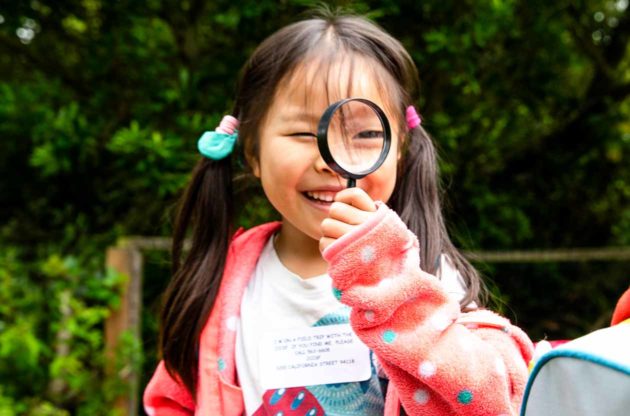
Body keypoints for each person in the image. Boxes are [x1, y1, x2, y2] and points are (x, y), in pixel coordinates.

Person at [144, 11, 534, 416]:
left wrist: (387, 281)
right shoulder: (224, 281)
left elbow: (497, 400)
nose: (335, 161)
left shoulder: (426, 271)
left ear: (398, 150)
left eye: (366, 135)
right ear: (252, 153)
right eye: (301, 134)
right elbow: (173, 400)